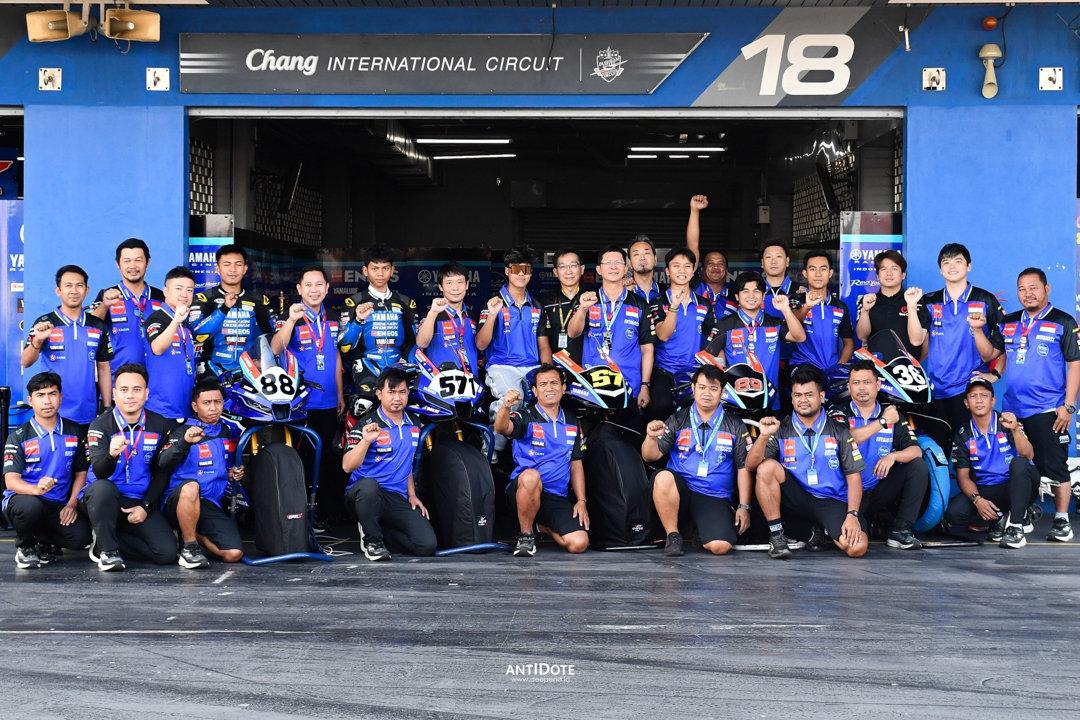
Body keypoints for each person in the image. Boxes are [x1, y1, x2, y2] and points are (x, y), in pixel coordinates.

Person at [746, 365, 868, 559]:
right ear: (792, 398)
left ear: (821, 396)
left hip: (831, 501)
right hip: (796, 499)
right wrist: (763, 436)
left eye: (809, 395)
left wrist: (852, 515)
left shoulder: (839, 431)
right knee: (766, 467)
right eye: (798, 395)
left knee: (857, 548)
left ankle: (815, 530)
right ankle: (777, 537)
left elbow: (854, 477)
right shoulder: (781, 428)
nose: (803, 400)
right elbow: (750, 466)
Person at [999, 268, 1080, 542]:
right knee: (1018, 466)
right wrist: (990, 372)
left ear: (1047, 289)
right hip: (1013, 410)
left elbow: (1075, 365)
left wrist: (1069, 406)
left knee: (1055, 466)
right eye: (1022, 289)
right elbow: (996, 355)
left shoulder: (1063, 321)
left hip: (1049, 409)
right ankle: (1022, 516)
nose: (1028, 293)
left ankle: (1062, 521)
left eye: (1033, 287)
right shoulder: (1009, 322)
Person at [642, 364, 752, 557]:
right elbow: (650, 456)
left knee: (720, 547)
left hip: (713, 495)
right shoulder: (678, 419)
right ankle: (673, 536)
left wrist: (744, 506)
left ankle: (700, 533)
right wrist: (651, 438)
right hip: (681, 491)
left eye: (713, 388)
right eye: (701, 387)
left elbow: (743, 468)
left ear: (722, 392)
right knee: (662, 477)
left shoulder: (735, 424)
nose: (706, 393)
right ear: (693, 388)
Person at [906, 243, 1005, 454]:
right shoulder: (929, 301)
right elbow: (916, 339)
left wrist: (996, 374)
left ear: (968, 266)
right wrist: (912, 307)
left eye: (958, 261)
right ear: (941, 269)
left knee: (971, 452)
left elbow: (1005, 340)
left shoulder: (985, 299)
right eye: (946, 262)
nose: (952, 266)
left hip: (969, 390)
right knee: (939, 452)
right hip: (936, 391)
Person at [81, 364, 178, 571]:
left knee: (166, 553)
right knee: (104, 488)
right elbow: (100, 472)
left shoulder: (159, 424)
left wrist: (146, 506)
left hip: (137, 501)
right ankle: (108, 552)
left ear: (146, 393)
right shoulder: (100, 425)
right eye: (124, 389)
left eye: (137, 389)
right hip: (101, 500)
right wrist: (111, 455)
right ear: (114, 393)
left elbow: (162, 471)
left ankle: (104, 541)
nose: (130, 395)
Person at [271, 266, 346, 522]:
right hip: (299, 402)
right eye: (308, 285)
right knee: (299, 458)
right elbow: (275, 348)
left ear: (327, 288)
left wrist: (340, 394)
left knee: (324, 458)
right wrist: (291, 320)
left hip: (328, 401)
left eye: (319, 284)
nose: (314, 290)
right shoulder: (289, 316)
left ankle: (322, 513)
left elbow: (336, 355)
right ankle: (298, 513)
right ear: (299, 289)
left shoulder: (333, 318)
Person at [341, 367, 435, 561]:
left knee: (426, 545)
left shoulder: (415, 423)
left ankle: (380, 532)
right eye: (391, 392)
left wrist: (412, 495)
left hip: (396, 497)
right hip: (364, 496)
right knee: (369, 487)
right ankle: (372, 540)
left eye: (402, 392)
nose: (397, 398)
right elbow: (347, 466)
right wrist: (365, 441)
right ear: (379, 394)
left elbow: (406, 463)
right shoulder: (366, 424)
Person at [832, 360, 928, 550]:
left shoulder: (892, 414)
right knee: (855, 544)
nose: (861, 388)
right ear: (849, 386)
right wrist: (882, 422)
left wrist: (893, 456)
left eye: (867, 382)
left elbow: (916, 450)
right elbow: (844, 440)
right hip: (844, 495)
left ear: (878, 385)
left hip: (877, 490)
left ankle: (901, 530)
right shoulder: (838, 411)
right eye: (856, 382)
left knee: (917, 466)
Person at [495, 365, 588, 557]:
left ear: (563, 388)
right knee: (531, 476)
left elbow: (575, 463)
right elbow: (502, 428)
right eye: (543, 384)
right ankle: (526, 535)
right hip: (523, 492)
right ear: (535, 391)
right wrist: (505, 407)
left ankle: (540, 527)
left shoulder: (571, 420)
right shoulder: (526, 415)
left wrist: (581, 500)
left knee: (579, 543)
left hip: (556, 497)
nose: (549, 388)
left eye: (554, 383)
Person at [2, 373, 92, 569]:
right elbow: (11, 481)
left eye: (52, 394)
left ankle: (42, 539)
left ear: (60, 397)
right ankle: (26, 547)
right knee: (31, 506)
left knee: (81, 538)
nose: (47, 401)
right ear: (30, 400)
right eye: (40, 395)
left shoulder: (75, 431)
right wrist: (36, 489)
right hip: (24, 500)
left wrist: (72, 504)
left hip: (58, 505)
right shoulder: (18, 436)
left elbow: (81, 473)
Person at [156, 381, 245, 568]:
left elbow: (222, 465)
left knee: (233, 554)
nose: (213, 408)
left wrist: (230, 474)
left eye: (217, 402)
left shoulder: (226, 430)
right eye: (206, 403)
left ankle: (190, 534)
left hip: (209, 503)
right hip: (178, 501)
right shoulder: (182, 431)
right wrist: (185, 442)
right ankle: (189, 548)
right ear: (195, 406)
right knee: (191, 486)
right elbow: (163, 462)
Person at [944, 378, 1039, 549]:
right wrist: (977, 500)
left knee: (1019, 463)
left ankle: (1016, 528)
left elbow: (1029, 455)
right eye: (973, 396)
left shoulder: (1007, 423)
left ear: (993, 401)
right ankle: (1002, 518)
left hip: (1018, 485)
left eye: (984, 395)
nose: (979, 400)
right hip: (988, 489)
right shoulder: (963, 434)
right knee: (953, 513)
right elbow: (963, 477)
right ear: (966, 403)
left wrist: (1015, 430)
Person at [22, 265, 114, 425]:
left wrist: (107, 406)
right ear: (58, 291)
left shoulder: (98, 325)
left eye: (79, 285)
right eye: (68, 285)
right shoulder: (44, 323)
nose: (74, 291)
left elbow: (104, 367)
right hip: (53, 413)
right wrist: (38, 341)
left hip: (88, 413)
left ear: (87, 290)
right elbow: (25, 362)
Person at [567, 245, 656, 410]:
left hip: (630, 385)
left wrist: (645, 385)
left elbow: (647, 348)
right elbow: (573, 333)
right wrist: (583, 308)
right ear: (599, 269)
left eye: (618, 262)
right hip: (593, 384)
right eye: (608, 262)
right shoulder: (587, 299)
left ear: (625, 269)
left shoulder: (639, 304)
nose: (613, 266)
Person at [704, 273, 806, 410]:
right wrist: (723, 371)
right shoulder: (725, 325)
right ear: (737, 296)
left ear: (763, 296)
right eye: (745, 291)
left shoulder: (774, 323)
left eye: (756, 291)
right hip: (736, 403)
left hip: (769, 401)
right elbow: (707, 355)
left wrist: (786, 310)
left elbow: (800, 337)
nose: (751, 296)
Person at [477, 247, 542, 456]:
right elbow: (481, 344)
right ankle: (492, 448)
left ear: (531, 272)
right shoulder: (494, 303)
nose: (521, 274)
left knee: (548, 398)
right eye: (516, 269)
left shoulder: (537, 305)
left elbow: (543, 345)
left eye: (526, 269)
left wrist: (549, 371)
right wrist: (492, 315)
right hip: (502, 366)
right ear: (507, 271)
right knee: (513, 398)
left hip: (532, 367)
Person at [647, 247, 715, 420]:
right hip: (664, 369)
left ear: (693, 271)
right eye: (676, 265)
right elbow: (663, 335)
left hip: (694, 370)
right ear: (667, 271)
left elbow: (712, 341)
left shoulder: (704, 304)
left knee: (698, 412)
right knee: (661, 406)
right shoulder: (658, 301)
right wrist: (674, 307)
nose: (682, 270)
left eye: (687, 266)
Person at [190, 245, 275, 378]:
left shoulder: (259, 301)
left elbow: (272, 337)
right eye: (227, 264)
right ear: (217, 269)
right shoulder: (205, 299)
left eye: (238, 264)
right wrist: (223, 309)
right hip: (213, 368)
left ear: (245, 269)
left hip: (249, 370)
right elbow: (199, 334)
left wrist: (261, 359)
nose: (233, 269)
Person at [338, 243, 418, 380]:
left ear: (392, 270)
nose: (380, 274)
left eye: (385, 268)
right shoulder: (353, 303)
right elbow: (344, 346)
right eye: (375, 268)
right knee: (367, 394)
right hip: (366, 366)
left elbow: (415, 340)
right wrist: (358, 321)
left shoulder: (406, 303)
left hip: (398, 366)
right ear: (365, 270)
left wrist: (405, 361)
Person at [89, 238, 164, 369]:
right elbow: (90, 328)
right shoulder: (108, 296)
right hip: (119, 376)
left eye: (138, 260)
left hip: (156, 375)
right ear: (118, 264)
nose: (133, 266)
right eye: (126, 261)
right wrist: (104, 305)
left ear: (148, 262)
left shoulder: (161, 297)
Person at [143, 266, 197, 422]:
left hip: (184, 407)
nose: (184, 294)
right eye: (178, 289)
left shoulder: (184, 323)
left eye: (189, 290)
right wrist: (175, 322)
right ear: (165, 291)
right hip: (161, 409)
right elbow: (157, 348)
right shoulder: (157, 318)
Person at [790, 251, 854, 373]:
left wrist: (838, 367)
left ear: (830, 273)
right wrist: (807, 307)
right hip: (803, 366)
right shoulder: (797, 299)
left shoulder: (840, 307)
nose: (818, 274)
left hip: (831, 369)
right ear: (805, 273)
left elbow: (848, 342)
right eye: (813, 269)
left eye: (823, 269)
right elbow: (793, 320)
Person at [414, 261, 480, 375]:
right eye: (449, 283)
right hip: (442, 382)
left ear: (467, 285)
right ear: (441, 286)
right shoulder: (433, 314)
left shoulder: (472, 315)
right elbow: (421, 343)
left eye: (460, 282)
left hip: (471, 381)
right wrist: (433, 313)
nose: (455, 288)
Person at [855, 250, 921, 357]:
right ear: (877, 276)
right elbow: (862, 336)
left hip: (907, 366)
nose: (889, 273)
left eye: (894, 268)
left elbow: (920, 341)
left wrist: (911, 306)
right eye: (883, 269)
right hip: (875, 365)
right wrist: (865, 311)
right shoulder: (867, 301)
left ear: (903, 275)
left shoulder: (915, 300)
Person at [685, 194, 737, 320]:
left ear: (727, 270)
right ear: (701, 270)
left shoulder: (736, 296)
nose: (715, 267)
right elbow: (693, 246)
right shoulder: (693, 286)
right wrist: (695, 211)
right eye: (710, 263)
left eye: (720, 264)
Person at [538, 247, 585, 364]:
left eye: (573, 265)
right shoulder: (545, 302)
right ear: (555, 272)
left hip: (586, 367)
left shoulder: (592, 300)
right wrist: (549, 369)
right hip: (555, 366)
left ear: (582, 269)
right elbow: (542, 341)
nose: (568, 271)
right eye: (562, 266)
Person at [627, 234, 663, 302]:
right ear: (630, 263)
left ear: (655, 260)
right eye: (636, 254)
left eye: (646, 253)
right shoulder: (623, 293)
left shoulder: (666, 293)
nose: (642, 258)